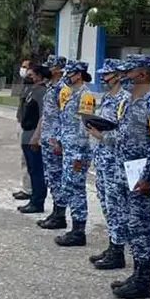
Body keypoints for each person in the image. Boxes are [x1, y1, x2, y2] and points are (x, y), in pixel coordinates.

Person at [110, 54, 150, 299]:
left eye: (127, 72)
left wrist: (147, 176)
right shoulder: (130, 100)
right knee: (132, 224)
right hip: (126, 171)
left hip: (141, 176)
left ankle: (144, 279)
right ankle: (137, 272)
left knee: (142, 227)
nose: (122, 77)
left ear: (142, 74)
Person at [88, 59, 128, 270]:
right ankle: (113, 245)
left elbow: (126, 133)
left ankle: (118, 250)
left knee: (117, 208)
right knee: (106, 205)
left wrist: (103, 136)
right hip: (103, 160)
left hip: (116, 162)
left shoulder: (124, 99)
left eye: (107, 75)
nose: (103, 78)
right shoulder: (106, 97)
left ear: (118, 75)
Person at [53, 61, 96, 247]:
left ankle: (79, 231)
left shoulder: (85, 96)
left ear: (78, 75)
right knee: (69, 187)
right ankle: (75, 227)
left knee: (77, 189)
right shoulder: (71, 95)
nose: (66, 77)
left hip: (78, 152)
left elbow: (85, 126)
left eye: (69, 74)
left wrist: (78, 154)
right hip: (69, 149)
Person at [37, 56, 69, 230]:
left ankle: (60, 215)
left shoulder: (63, 89)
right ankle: (56, 212)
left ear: (58, 69)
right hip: (47, 139)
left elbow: (65, 117)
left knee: (57, 177)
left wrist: (59, 141)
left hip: (55, 141)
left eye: (50, 67)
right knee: (51, 177)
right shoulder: (52, 87)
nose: (46, 70)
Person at [17, 66, 49, 215]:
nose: (29, 77)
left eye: (32, 75)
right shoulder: (31, 90)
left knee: (37, 171)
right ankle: (33, 199)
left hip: (33, 136)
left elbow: (43, 116)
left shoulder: (42, 92)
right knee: (31, 168)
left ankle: (38, 201)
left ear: (39, 76)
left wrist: (37, 136)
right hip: (26, 133)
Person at [14, 59, 34, 201]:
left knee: (28, 159)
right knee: (24, 159)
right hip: (21, 123)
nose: (23, 70)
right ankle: (26, 187)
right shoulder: (25, 85)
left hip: (29, 127)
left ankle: (29, 189)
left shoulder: (35, 87)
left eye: (25, 67)